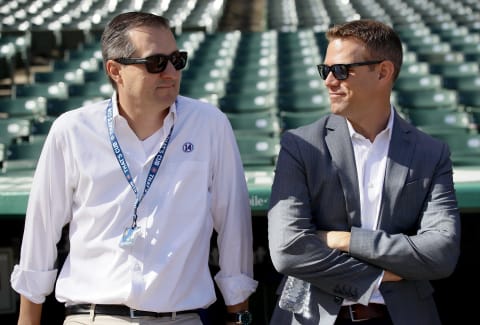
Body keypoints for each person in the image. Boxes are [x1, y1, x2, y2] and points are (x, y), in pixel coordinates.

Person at [10, 11, 257, 325]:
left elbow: (234, 228)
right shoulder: (71, 130)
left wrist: (239, 318)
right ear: (116, 70)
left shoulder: (210, 125)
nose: (170, 72)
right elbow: (40, 236)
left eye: (176, 60)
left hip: (181, 318)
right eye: (156, 63)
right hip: (92, 317)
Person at [267, 19, 461, 325]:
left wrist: (343, 240)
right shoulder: (300, 145)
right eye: (325, 70)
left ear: (383, 72)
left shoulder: (431, 153)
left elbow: (440, 253)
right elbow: (289, 250)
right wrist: (379, 276)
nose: (329, 81)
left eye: (341, 70)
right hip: (312, 317)